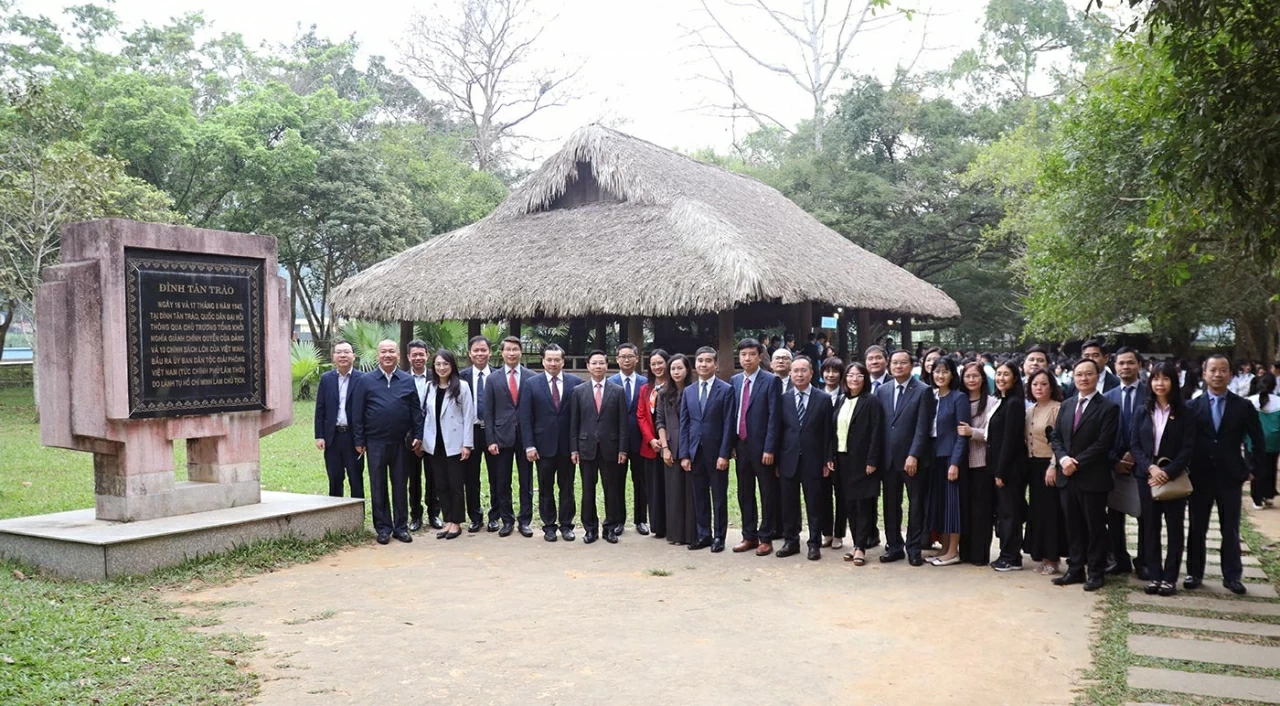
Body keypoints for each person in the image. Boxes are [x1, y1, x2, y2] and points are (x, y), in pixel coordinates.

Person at [1185, 354, 1266, 595]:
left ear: (1231, 374)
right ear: (1204, 373)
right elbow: (1184, 441)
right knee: (1197, 527)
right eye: (1213, 370)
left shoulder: (1243, 406)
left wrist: (1254, 469)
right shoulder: (1192, 406)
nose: (1218, 374)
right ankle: (1194, 572)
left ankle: (1232, 576)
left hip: (1230, 475)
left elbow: (1257, 439)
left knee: (1230, 528)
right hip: (1199, 475)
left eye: (1223, 370)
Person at [1050, 359, 1121, 592]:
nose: (1083, 378)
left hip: (1092, 477)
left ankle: (1096, 572)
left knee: (1095, 527)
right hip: (1067, 476)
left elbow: (1103, 444)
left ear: (1097, 376)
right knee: (1073, 526)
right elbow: (1057, 437)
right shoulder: (1067, 404)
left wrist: (1077, 463)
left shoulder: (1108, 407)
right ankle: (1075, 568)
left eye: (1088, 374)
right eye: (1079, 374)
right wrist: (1063, 460)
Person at [351, 340, 424, 545]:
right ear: (378, 355)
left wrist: (418, 434)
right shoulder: (366, 380)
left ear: (399, 355)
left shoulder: (407, 380)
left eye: (392, 351)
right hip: (375, 442)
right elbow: (357, 413)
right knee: (378, 485)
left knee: (400, 484)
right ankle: (383, 528)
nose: (388, 355)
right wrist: (359, 440)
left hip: (402, 443)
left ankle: (401, 527)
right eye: (384, 352)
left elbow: (416, 410)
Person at [1131, 361, 1194, 596]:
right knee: (1150, 527)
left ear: (1173, 382)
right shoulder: (1142, 410)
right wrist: (1150, 468)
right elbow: (1134, 444)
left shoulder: (1185, 412)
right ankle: (1155, 576)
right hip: (1146, 476)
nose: (1160, 383)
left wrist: (1167, 472)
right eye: (1155, 378)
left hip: (1173, 476)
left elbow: (1188, 447)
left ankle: (1170, 578)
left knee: (1175, 528)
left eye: (1165, 379)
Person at [875, 350, 936, 566]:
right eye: (895, 363)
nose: (898, 366)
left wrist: (914, 454)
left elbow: (923, 427)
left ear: (912, 365)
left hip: (912, 459)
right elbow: (881, 426)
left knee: (916, 504)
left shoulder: (923, 391)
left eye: (903, 363)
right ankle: (894, 546)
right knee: (891, 504)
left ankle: (914, 548)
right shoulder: (882, 390)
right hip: (888, 458)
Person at [519, 344, 583, 542]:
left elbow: (579, 418)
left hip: (567, 446)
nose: (553, 363)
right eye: (549, 360)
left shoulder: (576, 383)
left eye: (557, 360)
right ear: (543, 361)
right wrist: (529, 445)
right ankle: (548, 526)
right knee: (545, 487)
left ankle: (566, 525)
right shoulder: (531, 384)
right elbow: (525, 417)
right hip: (542, 446)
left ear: (563, 362)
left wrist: (576, 446)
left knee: (567, 487)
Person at [776, 356, 834, 560]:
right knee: (788, 504)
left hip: (814, 460)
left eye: (803, 370)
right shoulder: (783, 399)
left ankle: (814, 544)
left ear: (811, 373)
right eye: (795, 371)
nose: (799, 375)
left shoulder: (823, 399)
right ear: (790, 374)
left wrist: (828, 459)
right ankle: (791, 541)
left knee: (814, 504)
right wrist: (776, 460)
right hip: (788, 459)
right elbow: (778, 431)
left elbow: (829, 432)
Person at [569, 350, 629, 544]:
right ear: (588, 366)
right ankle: (590, 529)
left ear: (607, 365)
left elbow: (623, 423)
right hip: (586, 448)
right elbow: (574, 423)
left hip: (610, 448)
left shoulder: (617, 390)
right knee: (588, 490)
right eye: (594, 363)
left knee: (611, 489)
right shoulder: (579, 391)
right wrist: (574, 449)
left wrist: (622, 449)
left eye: (601, 363)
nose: (598, 366)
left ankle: (610, 528)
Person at [414, 349, 475, 540]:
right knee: (441, 484)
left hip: (455, 443)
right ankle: (447, 520)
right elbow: (424, 415)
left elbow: (469, 416)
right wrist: (421, 441)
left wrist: (467, 444)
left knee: (455, 484)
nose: (441, 368)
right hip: (434, 443)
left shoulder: (462, 386)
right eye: (438, 364)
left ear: (452, 366)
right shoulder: (429, 387)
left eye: (445, 364)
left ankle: (456, 522)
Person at [679, 346, 735, 552]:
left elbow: (729, 424)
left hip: (716, 453)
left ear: (716, 364)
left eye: (708, 360)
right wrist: (684, 454)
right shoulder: (688, 391)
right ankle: (704, 534)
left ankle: (719, 536)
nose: (704, 364)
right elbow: (684, 424)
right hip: (695, 453)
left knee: (719, 497)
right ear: (695, 365)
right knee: (699, 495)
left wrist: (724, 453)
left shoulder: (726, 390)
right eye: (700, 360)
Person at [730, 338, 782, 556]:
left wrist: (770, 448)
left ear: (760, 356)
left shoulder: (771, 381)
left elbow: (774, 417)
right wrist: (731, 445)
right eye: (743, 354)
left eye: (751, 354)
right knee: (744, 492)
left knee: (767, 492)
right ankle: (748, 535)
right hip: (741, 446)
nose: (747, 358)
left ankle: (766, 537)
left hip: (763, 448)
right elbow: (732, 414)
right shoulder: (734, 381)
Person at [483, 336, 536, 538]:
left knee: (526, 481)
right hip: (501, 437)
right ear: (502, 353)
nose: (511, 353)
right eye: (508, 350)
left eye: (515, 349)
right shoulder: (493, 379)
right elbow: (488, 413)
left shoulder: (531, 377)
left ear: (521, 352)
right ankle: (507, 520)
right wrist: (491, 440)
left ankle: (525, 521)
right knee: (502, 481)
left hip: (525, 437)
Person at [1103, 347, 1147, 579]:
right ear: (1114, 366)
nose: (1125, 367)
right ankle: (1119, 558)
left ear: (1139, 365)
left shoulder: (1151, 394)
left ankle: (1144, 561)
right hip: (1114, 464)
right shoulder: (1108, 397)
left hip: (1143, 466)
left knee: (1144, 515)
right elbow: (1103, 435)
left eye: (1130, 362)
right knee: (1115, 514)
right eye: (1121, 363)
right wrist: (1115, 460)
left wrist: (1135, 454)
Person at [833, 362, 884, 566]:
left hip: (863, 462)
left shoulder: (871, 401)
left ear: (865, 379)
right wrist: (830, 456)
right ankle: (855, 544)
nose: (854, 379)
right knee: (849, 504)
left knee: (862, 505)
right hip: (843, 461)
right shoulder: (840, 400)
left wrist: (872, 460)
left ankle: (861, 546)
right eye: (850, 375)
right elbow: (832, 431)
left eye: (859, 376)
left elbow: (876, 432)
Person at [925, 357, 969, 565]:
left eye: (945, 371)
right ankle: (943, 548)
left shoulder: (958, 398)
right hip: (933, 457)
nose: (940, 375)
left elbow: (962, 433)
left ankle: (953, 551)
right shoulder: (931, 397)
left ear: (952, 374)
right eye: (936, 371)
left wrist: (955, 462)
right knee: (940, 504)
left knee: (952, 505)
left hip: (950, 457)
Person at [1024, 369, 1067, 576]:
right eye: (1035, 384)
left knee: (1052, 513)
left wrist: (1053, 465)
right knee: (1038, 513)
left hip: (1050, 466)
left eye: (1043, 384)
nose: (1039, 388)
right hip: (1032, 466)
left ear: (1052, 386)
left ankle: (1053, 558)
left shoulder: (1057, 409)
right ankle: (1041, 555)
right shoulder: (1030, 410)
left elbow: (1061, 441)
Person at [987, 362, 1028, 571]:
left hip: (1010, 469)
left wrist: (1001, 471)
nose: (1001, 378)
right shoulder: (1001, 401)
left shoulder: (1014, 403)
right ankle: (1007, 553)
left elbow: (1010, 440)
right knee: (1004, 512)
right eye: (999, 374)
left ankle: (1012, 556)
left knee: (1010, 512)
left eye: (1006, 374)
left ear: (1015, 378)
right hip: (999, 466)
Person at [957, 362, 996, 567]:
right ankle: (965, 552)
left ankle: (980, 554)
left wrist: (973, 432)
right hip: (961, 463)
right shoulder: (959, 399)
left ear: (983, 378)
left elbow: (993, 433)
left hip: (981, 463)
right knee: (964, 508)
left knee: (982, 510)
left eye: (975, 376)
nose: (971, 380)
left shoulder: (991, 402)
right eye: (967, 376)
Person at [314, 340, 364, 499]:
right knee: (334, 478)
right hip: (332, 437)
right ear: (333, 356)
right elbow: (320, 409)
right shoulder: (326, 379)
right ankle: (336, 515)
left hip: (353, 438)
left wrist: (362, 439)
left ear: (353, 356)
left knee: (356, 478)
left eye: (347, 352)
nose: (343, 355)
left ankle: (357, 515)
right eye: (339, 352)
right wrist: (319, 435)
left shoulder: (363, 379)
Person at [655, 353, 696, 545]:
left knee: (690, 492)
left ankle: (691, 534)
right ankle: (675, 534)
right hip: (671, 446)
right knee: (673, 492)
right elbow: (660, 422)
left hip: (691, 446)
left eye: (680, 368)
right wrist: (665, 447)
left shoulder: (693, 391)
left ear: (687, 369)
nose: (676, 372)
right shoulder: (663, 393)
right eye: (673, 369)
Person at [609, 343, 649, 534]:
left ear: (637, 358)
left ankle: (641, 519)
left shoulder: (645, 383)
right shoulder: (610, 383)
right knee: (617, 481)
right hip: (616, 442)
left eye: (630, 356)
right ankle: (618, 520)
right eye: (622, 356)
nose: (626, 360)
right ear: (617, 359)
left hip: (640, 440)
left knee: (641, 481)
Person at [403, 340, 442, 532]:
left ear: (427, 355)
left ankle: (434, 513)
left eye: (421, 354)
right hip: (410, 436)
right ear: (408, 357)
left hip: (434, 434)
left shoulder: (436, 377)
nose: (418, 358)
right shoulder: (402, 378)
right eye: (414, 355)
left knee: (433, 475)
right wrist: (414, 437)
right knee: (414, 477)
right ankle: (415, 515)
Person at [459, 336, 496, 533]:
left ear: (490, 352)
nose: (480, 354)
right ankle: (475, 516)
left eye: (483, 350)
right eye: (476, 350)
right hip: (470, 431)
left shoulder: (498, 376)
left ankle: (495, 516)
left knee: (496, 476)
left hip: (492, 433)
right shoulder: (461, 377)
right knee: (470, 477)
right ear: (470, 353)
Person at [636, 349, 670, 538]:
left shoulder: (675, 385)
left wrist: (664, 442)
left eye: (660, 363)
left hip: (671, 445)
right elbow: (641, 415)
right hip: (650, 446)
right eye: (653, 364)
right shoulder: (645, 389)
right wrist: (651, 439)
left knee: (670, 486)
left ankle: (673, 524)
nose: (657, 367)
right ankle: (658, 526)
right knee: (654, 487)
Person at [818, 357, 849, 549]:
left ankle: (839, 534)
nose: (830, 375)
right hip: (819, 453)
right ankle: (826, 532)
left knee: (841, 494)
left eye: (835, 371)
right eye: (827, 371)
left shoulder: (847, 397)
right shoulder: (816, 394)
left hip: (841, 454)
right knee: (823, 494)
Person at [1248, 373, 1280, 509]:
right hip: (1273, 442)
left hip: (1253, 442)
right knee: (1270, 468)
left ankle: (1257, 499)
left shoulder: (1249, 401)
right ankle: (1268, 494)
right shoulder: (1278, 402)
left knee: (1255, 469)